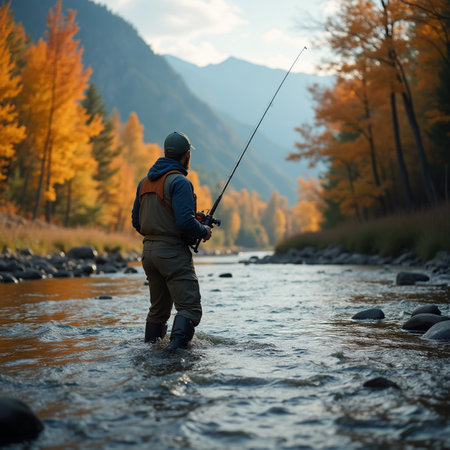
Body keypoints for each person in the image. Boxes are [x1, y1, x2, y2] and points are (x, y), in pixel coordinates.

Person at [131, 131, 212, 350]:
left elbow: (136, 222)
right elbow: (185, 223)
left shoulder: (144, 183)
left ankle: (150, 351)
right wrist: (203, 230)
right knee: (189, 309)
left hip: (149, 253)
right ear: (187, 155)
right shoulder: (180, 182)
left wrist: (159, 230)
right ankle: (174, 356)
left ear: (166, 153)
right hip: (172, 254)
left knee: (158, 310)